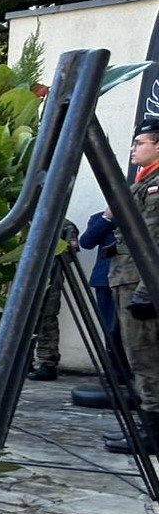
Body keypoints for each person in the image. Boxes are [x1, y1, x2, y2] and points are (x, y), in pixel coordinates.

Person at [107, 117, 159, 455]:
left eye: (140, 143)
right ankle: (148, 428)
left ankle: (153, 433)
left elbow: (154, 240)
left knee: (146, 359)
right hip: (128, 279)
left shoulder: (155, 186)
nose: (133, 148)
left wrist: (145, 292)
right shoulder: (144, 182)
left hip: (140, 285)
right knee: (139, 357)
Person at [25, 220, 82, 381]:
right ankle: (24, 360)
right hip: (21, 280)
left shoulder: (63, 224)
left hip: (49, 278)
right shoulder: (17, 221)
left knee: (46, 318)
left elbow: (70, 254)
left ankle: (47, 362)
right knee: (21, 321)